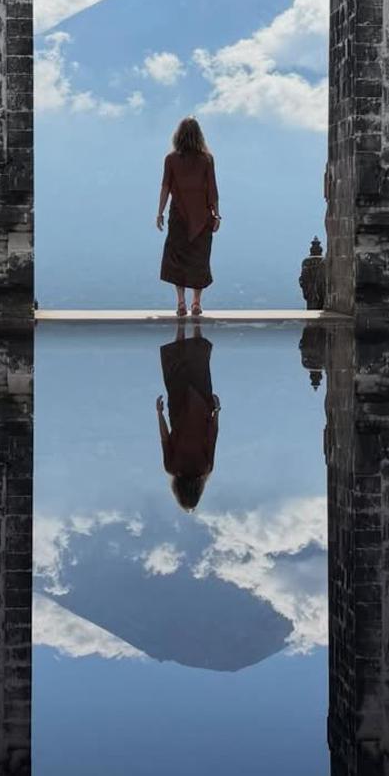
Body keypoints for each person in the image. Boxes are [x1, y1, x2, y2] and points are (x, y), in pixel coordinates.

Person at [156, 116, 220, 318]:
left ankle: (181, 302)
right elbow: (212, 189)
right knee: (199, 259)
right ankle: (196, 302)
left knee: (178, 259)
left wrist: (160, 212)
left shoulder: (171, 159)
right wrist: (217, 214)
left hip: (179, 216)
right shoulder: (207, 159)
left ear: (178, 136)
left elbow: (165, 186)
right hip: (202, 217)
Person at [156, 317, 220, 512]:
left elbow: (213, 436)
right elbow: (165, 438)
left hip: (201, 410)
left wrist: (216, 411)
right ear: (179, 492)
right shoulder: (171, 467)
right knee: (177, 367)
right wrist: (159, 413)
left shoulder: (205, 468)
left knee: (199, 365)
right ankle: (182, 324)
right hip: (179, 410)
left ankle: (195, 322)